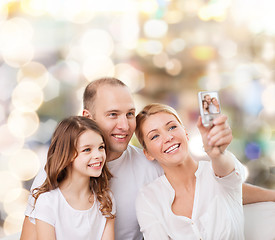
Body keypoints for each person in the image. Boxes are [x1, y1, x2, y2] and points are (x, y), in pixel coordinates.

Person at [21, 77, 275, 240]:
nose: (124, 125)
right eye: (112, 114)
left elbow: (216, 186)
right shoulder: (57, 171)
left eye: (130, 113)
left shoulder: (149, 165)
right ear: (87, 116)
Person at [135, 103, 245, 239]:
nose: (168, 137)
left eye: (172, 127)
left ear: (185, 132)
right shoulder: (149, 197)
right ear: (148, 153)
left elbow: (226, 170)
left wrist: (217, 154)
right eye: (155, 136)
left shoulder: (218, 171)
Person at [29, 116, 115, 240]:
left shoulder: (106, 200)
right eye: (87, 149)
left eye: (101, 147)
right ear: (67, 155)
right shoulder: (48, 202)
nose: (98, 155)